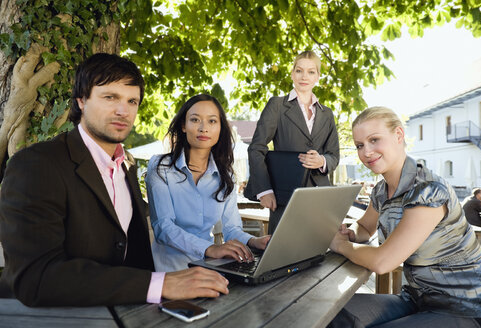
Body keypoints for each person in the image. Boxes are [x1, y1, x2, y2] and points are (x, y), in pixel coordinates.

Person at [0, 54, 229, 307]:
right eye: (110, 97)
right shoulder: (36, 165)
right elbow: (36, 278)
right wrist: (159, 284)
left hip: (129, 314)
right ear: (81, 100)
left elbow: (134, 257)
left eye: (132, 101)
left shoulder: (127, 164)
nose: (123, 111)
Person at [328, 107, 481, 327]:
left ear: (398, 135)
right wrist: (350, 234)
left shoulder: (428, 189)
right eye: (360, 145)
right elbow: (365, 228)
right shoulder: (381, 190)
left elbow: (383, 261)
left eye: (374, 140)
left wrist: (340, 245)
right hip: (417, 297)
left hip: (467, 306)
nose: (366, 152)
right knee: (333, 315)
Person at [146, 94, 270, 272]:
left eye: (212, 121)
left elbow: (231, 229)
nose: (204, 128)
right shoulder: (160, 167)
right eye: (195, 120)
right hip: (169, 271)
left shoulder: (226, 175)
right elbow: (163, 227)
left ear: (220, 128)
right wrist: (210, 249)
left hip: (209, 268)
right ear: (183, 125)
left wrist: (255, 241)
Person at [244, 50, 340, 234]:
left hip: (320, 195)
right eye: (299, 70)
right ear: (292, 73)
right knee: (283, 255)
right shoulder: (277, 105)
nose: (304, 76)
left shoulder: (327, 114)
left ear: (318, 76)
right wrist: (264, 190)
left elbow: (334, 155)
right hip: (286, 193)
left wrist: (322, 161)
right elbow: (256, 148)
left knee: (317, 254)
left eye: (311, 72)